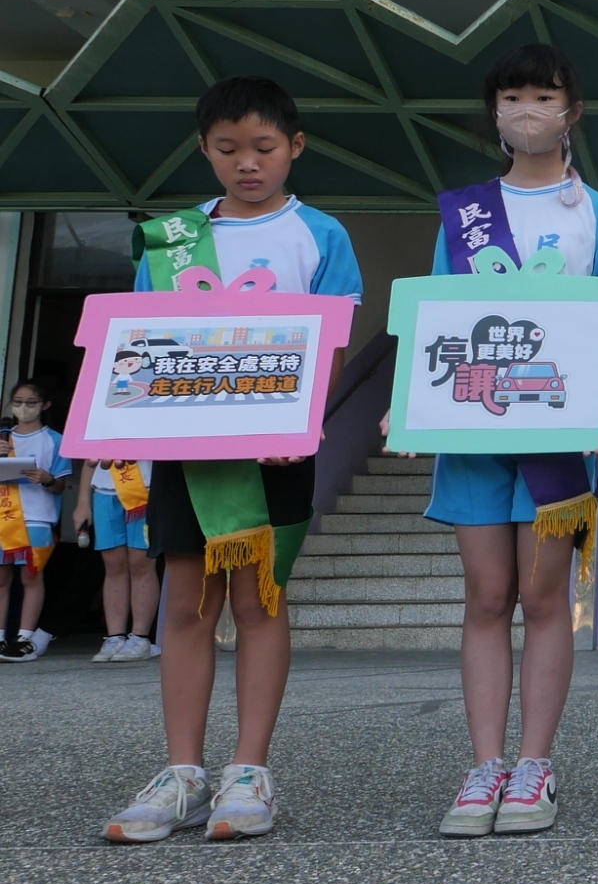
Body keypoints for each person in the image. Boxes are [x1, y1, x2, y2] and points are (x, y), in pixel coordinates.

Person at [103, 75, 363, 843]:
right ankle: (181, 772)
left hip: (279, 450)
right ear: (203, 150)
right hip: (187, 449)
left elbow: (336, 344)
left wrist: (307, 421)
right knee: (186, 603)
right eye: (227, 149)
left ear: (295, 147)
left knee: (260, 602)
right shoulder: (169, 238)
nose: (246, 164)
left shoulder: (320, 233)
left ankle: (248, 771)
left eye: (263, 148)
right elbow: (140, 345)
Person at [406, 43, 598, 838]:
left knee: (544, 601)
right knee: (486, 597)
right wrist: (408, 405)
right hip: (473, 428)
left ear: (572, 110)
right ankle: (482, 765)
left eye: (543, 94)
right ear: (493, 112)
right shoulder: (463, 210)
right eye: (511, 97)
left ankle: (534, 763)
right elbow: (438, 314)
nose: (526, 110)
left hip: (559, 436)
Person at [0, 378, 74, 661]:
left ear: (45, 406)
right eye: (17, 402)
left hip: (37, 517)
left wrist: (46, 478)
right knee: (2, 578)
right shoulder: (3, 438)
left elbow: (59, 486)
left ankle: (24, 637)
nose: (23, 408)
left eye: (31, 403)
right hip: (3, 516)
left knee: (31, 575)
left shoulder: (54, 440)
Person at [74, 459, 156, 662]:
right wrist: (83, 502)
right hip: (104, 491)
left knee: (141, 563)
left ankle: (140, 637)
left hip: (144, 490)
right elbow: (89, 457)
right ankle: (115, 637)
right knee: (113, 565)